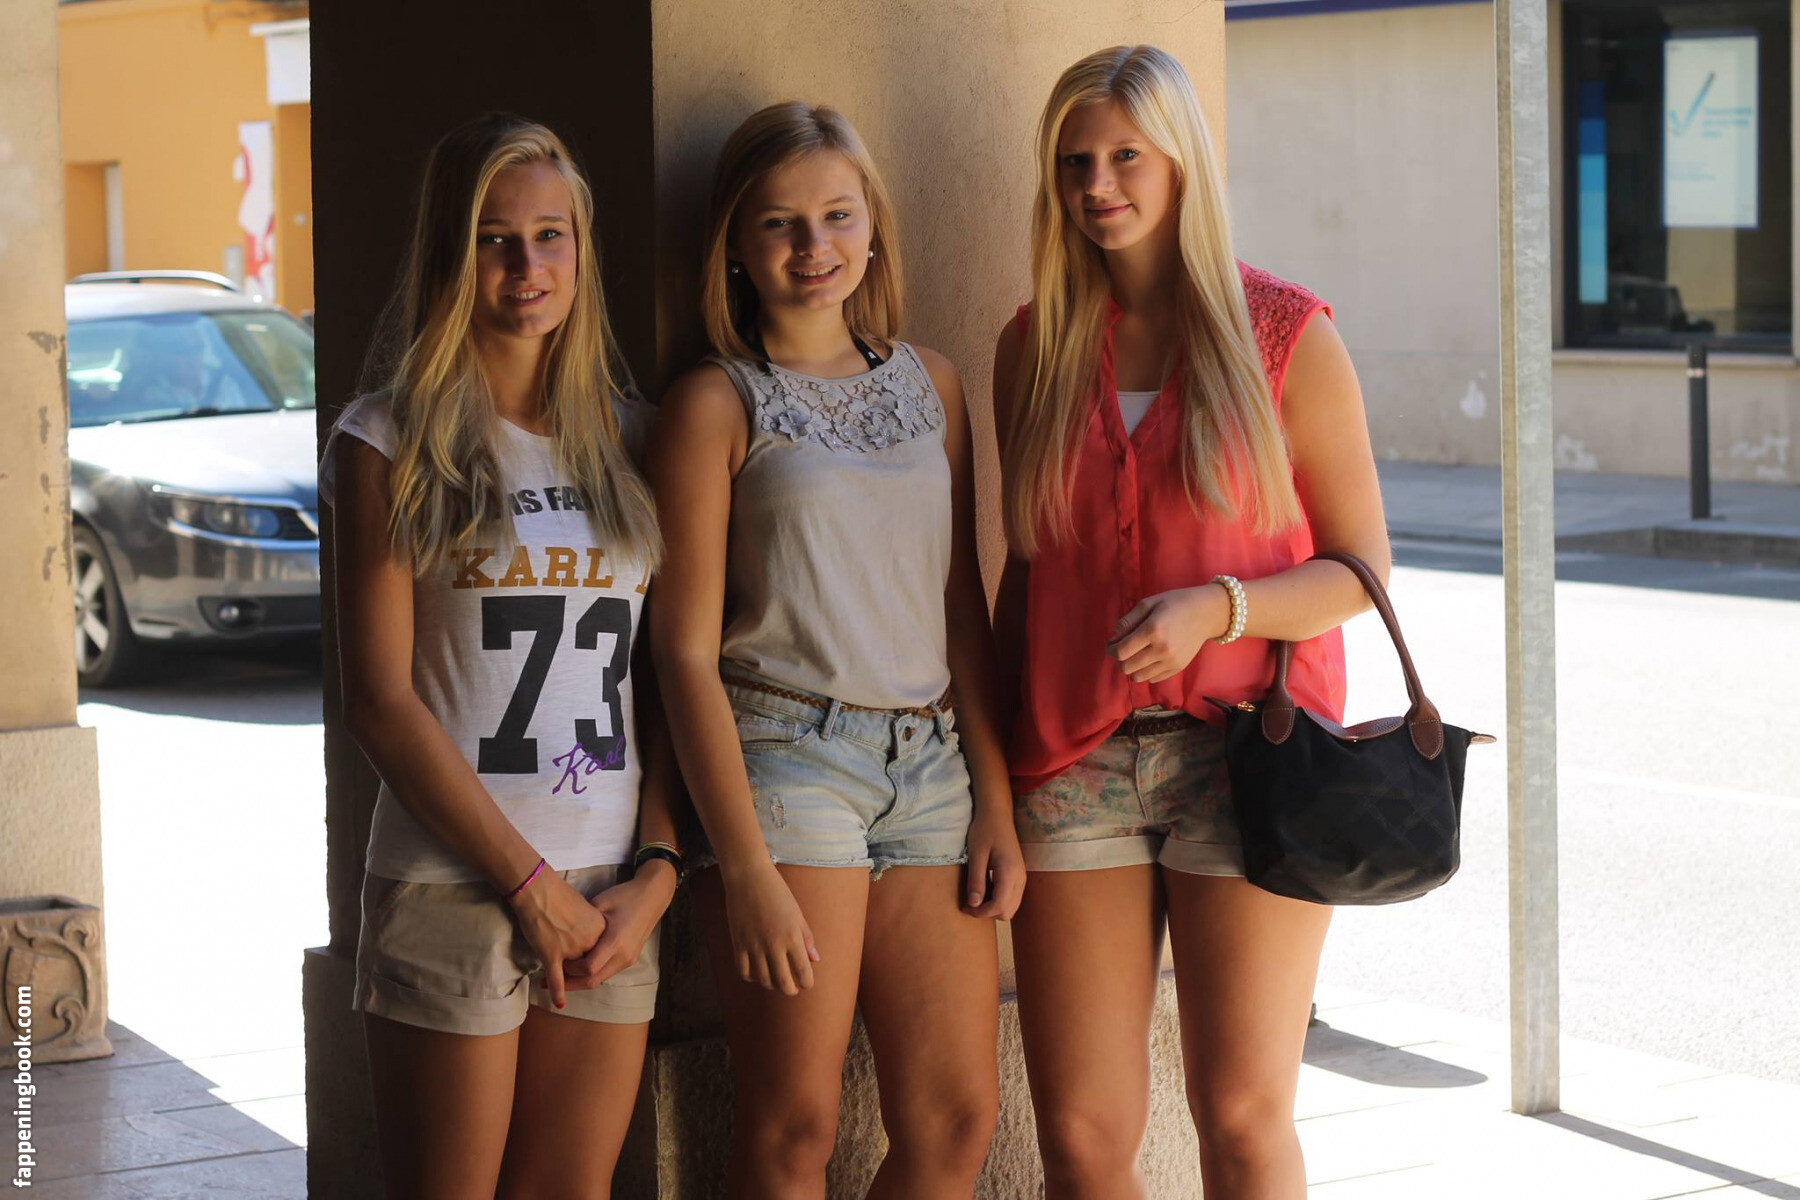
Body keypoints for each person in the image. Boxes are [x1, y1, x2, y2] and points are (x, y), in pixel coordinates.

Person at [991, 46, 1391, 1200]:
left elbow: (1361, 572)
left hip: (1252, 758)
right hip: (1070, 763)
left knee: (1242, 1116)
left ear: (1182, 164)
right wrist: (991, 777)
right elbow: (1026, 579)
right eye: (1075, 162)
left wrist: (1221, 608)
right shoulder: (1034, 346)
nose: (1097, 184)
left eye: (1126, 156)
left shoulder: (1286, 336)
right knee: (1081, 1140)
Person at [649, 101, 1024, 1199]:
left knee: (957, 1120)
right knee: (794, 1128)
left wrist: (994, 801)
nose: (813, 246)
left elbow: (961, 604)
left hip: (930, 770)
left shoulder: (933, 384)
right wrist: (745, 868)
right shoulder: (713, 402)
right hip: (784, 765)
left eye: (837, 216)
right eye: (780, 223)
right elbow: (682, 655)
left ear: (872, 227)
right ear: (735, 242)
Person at [323, 113, 679, 1200]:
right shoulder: (389, 439)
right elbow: (380, 701)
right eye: (494, 238)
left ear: (581, 248)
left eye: (549, 236)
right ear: (451, 254)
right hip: (453, 881)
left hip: (609, 888)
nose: (527, 265)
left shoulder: (636, 438)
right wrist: (525, 883)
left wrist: (658, 874)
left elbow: (669, 686)